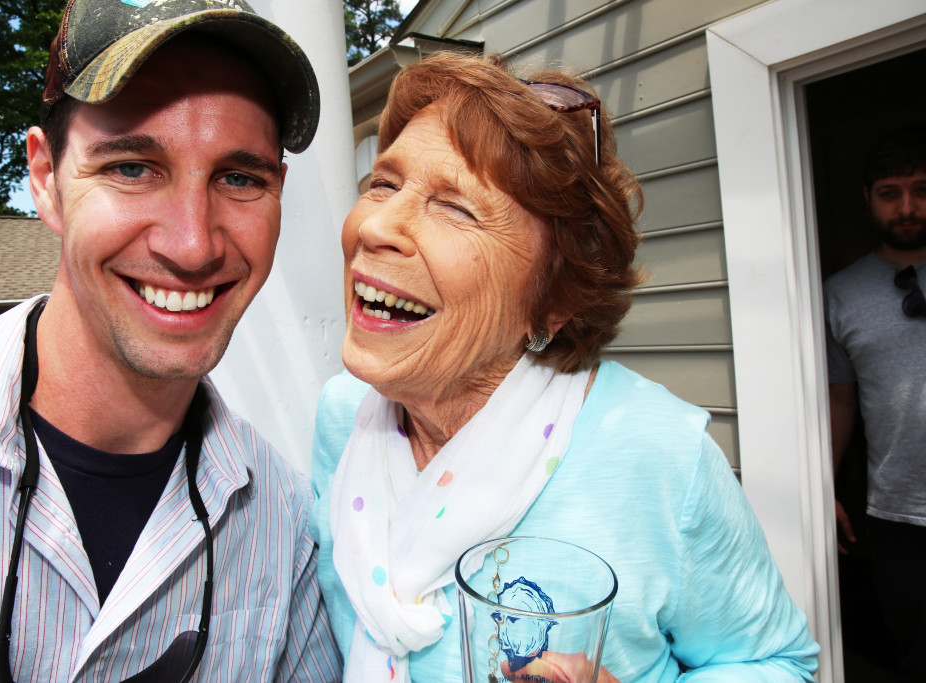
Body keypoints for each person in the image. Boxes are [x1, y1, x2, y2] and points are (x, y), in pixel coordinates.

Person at [309, 52, 819, 683]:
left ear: (553, 300)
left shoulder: (658, 456)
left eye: (455, 207)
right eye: (383, 184)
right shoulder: (340, 416)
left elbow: (779, 664)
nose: (376, 226)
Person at [0, 0, 342, 680]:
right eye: (132, 167)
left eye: (239, 177)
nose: (193, 244)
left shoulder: (288, 532)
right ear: (46, 178)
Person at [825, 124, 926, 682]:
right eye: (891, 193)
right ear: (868, 200)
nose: (907, 207)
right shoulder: (841, 294)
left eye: (920, 189)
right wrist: (827, 484)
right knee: (912, 650)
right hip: (897, 513)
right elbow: (841, 399)